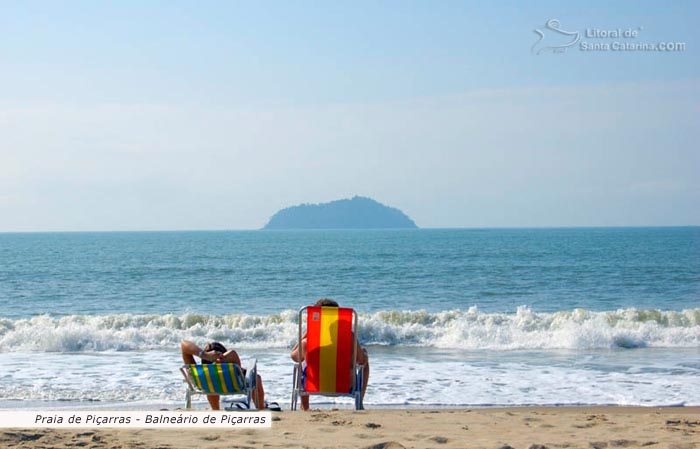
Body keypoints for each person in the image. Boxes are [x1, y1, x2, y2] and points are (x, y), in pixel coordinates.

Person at [290, 298, 370, 410]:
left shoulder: (307, 343)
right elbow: (361, 361)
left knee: (303, 362)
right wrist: (364, 355)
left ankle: (305, 406)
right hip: (346, 386)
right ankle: (359, 402)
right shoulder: (350, 338)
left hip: (314, 386)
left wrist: (307, 334)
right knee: (364, 362)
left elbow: (293, 357)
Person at [180, 340, 265, 410]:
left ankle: (215, 409)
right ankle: (261, 409)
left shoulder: (198, 374)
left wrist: (204, 355)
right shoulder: (234, 368)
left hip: (207, 386)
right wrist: (220, 358)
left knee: (211, 381)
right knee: (256, 378)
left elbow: (183, 344)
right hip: (234, 386)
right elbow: (232, 353)